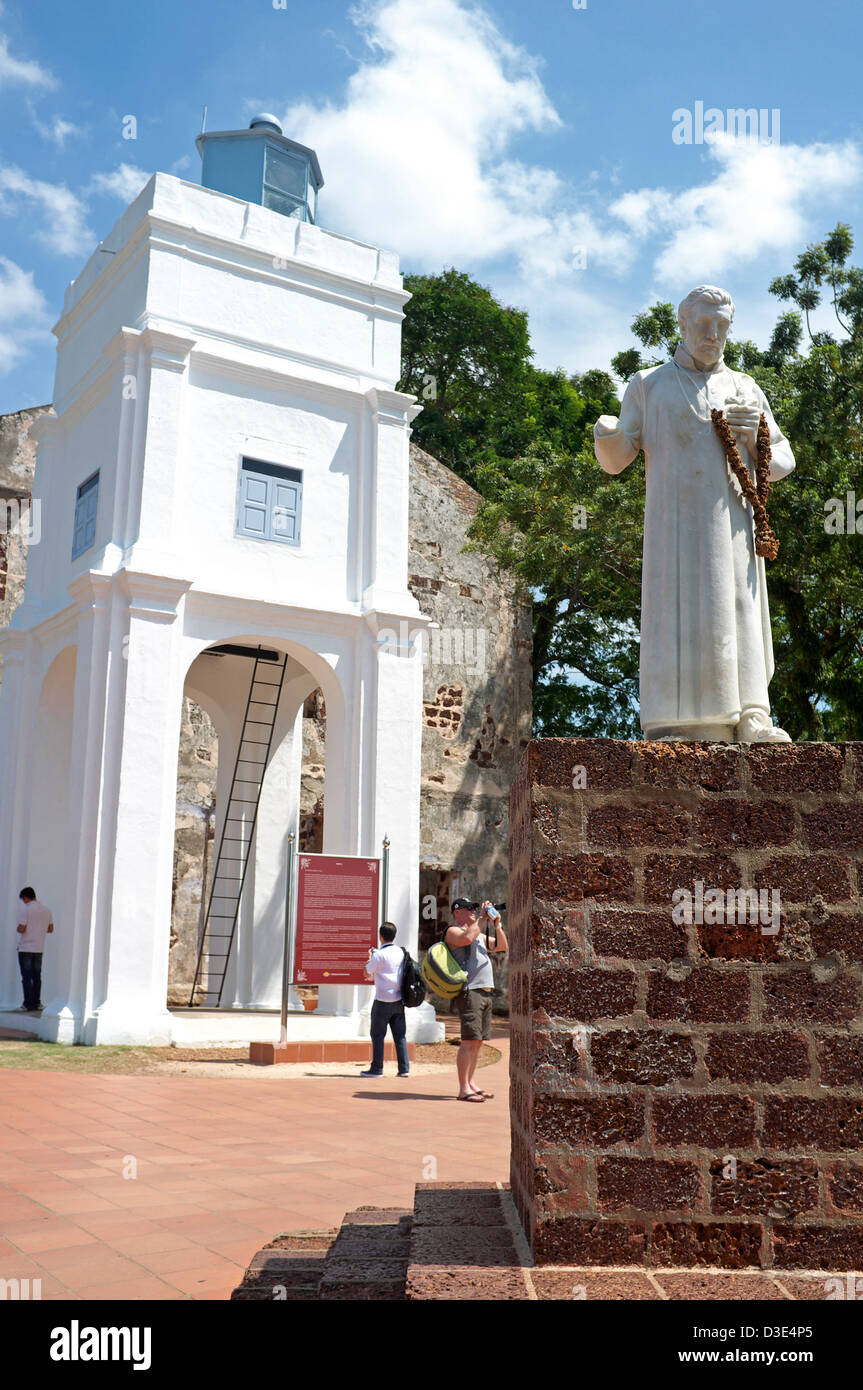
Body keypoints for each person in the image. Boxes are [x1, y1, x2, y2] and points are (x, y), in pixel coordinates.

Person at [594, 284, 795, 743]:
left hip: (733, 527)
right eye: (703, 324)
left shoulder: (745, 388)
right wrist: (606, 434)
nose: (713, 334)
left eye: (721, 327)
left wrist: (754, 440)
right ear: (682, 325)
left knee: (737, 607)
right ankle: (675, 721)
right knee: (677, 610)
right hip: (673, 526)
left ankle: (750, 716)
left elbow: (784, 460)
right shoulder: (650, 383)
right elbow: (617, 458)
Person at [445, 898, 508, 1103]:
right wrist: (481, 918)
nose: (473, 911)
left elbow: (501, 946)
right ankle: (463, 1088)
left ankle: (471, 1083)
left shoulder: (478, 933)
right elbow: (466, 939)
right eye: (469, 908)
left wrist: (497, 924)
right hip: (469, 991)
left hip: (485, 991)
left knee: (478, 1042)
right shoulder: (453, 932)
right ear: (457, 912)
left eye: (474, 908)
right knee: (468, 1041)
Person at [361, 921, 409, 1078]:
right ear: (394, 936)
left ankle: (377, 1068)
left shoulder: (379, 955)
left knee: (377, 1035)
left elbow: (366, 973)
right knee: (400, 1036)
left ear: (380, 936)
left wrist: (370, 958)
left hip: (382, 1000)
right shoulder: (401, 952)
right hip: (399, 999)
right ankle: (404, 1068)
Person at [15, 886, 53, 1014]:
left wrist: (20, 928)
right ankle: (37, 1003)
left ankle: (27, 1004)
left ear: (25, 897)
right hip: (39, 948)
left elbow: (21, 928)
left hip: (25, 947)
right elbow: (50, 929)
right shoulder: (47, 910)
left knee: (26, 977)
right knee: (37, 977)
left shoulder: (26, 909)